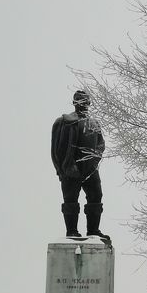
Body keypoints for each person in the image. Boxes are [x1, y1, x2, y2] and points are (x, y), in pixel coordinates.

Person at [51, 89, 108, 240]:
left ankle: (93, 230)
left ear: (88, 103)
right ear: (74, 102)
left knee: (96, 196)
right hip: (70, 168)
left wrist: (94, 161)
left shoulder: (93, 123)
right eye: (79, 101)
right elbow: (55, 149)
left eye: (85, 101)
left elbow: (101, 144)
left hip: (90, 169)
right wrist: (61, 169)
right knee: (70, 199)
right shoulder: (63, 122)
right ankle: (71, 231)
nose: (82, 104)